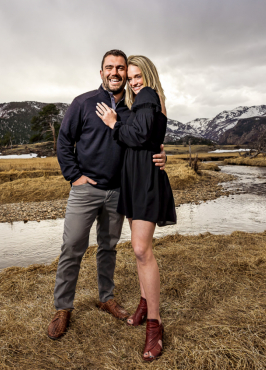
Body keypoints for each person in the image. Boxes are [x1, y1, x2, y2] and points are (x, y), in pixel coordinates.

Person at [47, 49, 167, 341]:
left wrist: (162, 153)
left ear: (126, 73)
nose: (115, 72)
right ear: (101, 72)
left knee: (108, 248)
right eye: (109, 67)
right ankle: (63, 308)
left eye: (120, 68)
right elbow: (65, 141)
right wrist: (75, 176)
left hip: (119, 191)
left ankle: (106, 298)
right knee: (73, 246)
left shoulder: (133, 105)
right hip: (86, 189)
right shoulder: (84, 103)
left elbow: (144, 137)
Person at [96, 55, 176, 362]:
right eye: (131, 78)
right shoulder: (140, 101)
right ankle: (144, 305)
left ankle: (154, 324)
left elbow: (140, 135)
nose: (134, 81)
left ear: (149, 75)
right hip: (134, 177)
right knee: (138, 249)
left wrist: (114, 123)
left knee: (142, 250)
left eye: (138, 75)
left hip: (144, 180)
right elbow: (148, 136)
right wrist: (160, 149)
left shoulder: (148, 95)